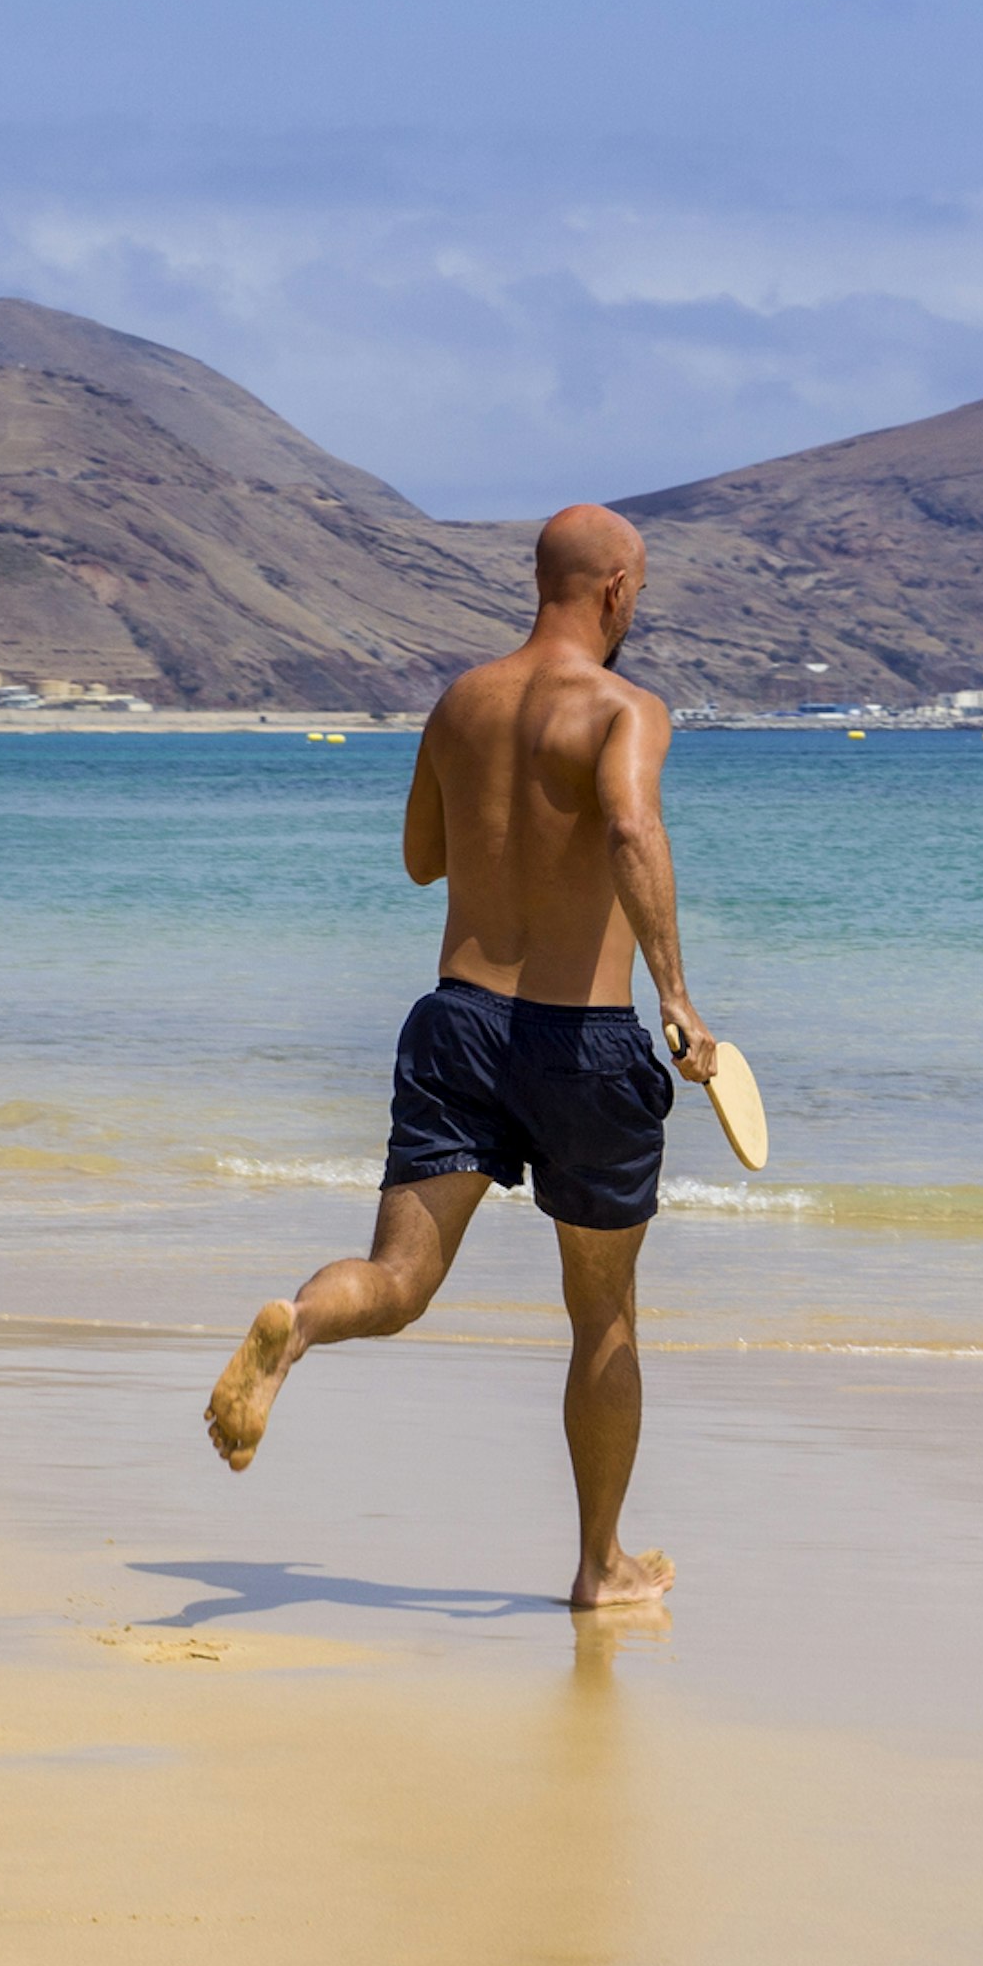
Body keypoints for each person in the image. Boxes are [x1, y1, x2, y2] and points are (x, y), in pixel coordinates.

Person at [202, 503, 716, 1611]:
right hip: (582, 1036)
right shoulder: (628, 710)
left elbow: (422, 860)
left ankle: (296, 1328)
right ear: (619, 591)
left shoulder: (459, 705)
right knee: (605, 1316)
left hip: (457, 1021)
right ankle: (600, 1566)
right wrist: (675, 996)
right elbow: (629, 832)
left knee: (396, 1279)